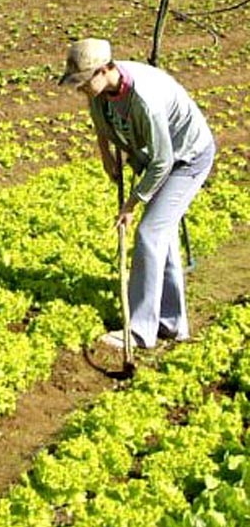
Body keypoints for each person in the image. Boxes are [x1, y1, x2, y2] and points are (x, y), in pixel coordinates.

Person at [59, 38, 215, 350]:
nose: (80, 89)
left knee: (148, 233)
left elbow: (163, 162)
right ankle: (172, 324)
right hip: (158, 157)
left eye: (83, 82)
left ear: (104, 70)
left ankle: (140, 330)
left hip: (186, 160)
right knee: (162, 236)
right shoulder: (100, 90)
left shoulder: (145, 98)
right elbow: (100, 121)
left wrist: (131, 204)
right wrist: (105, 154)